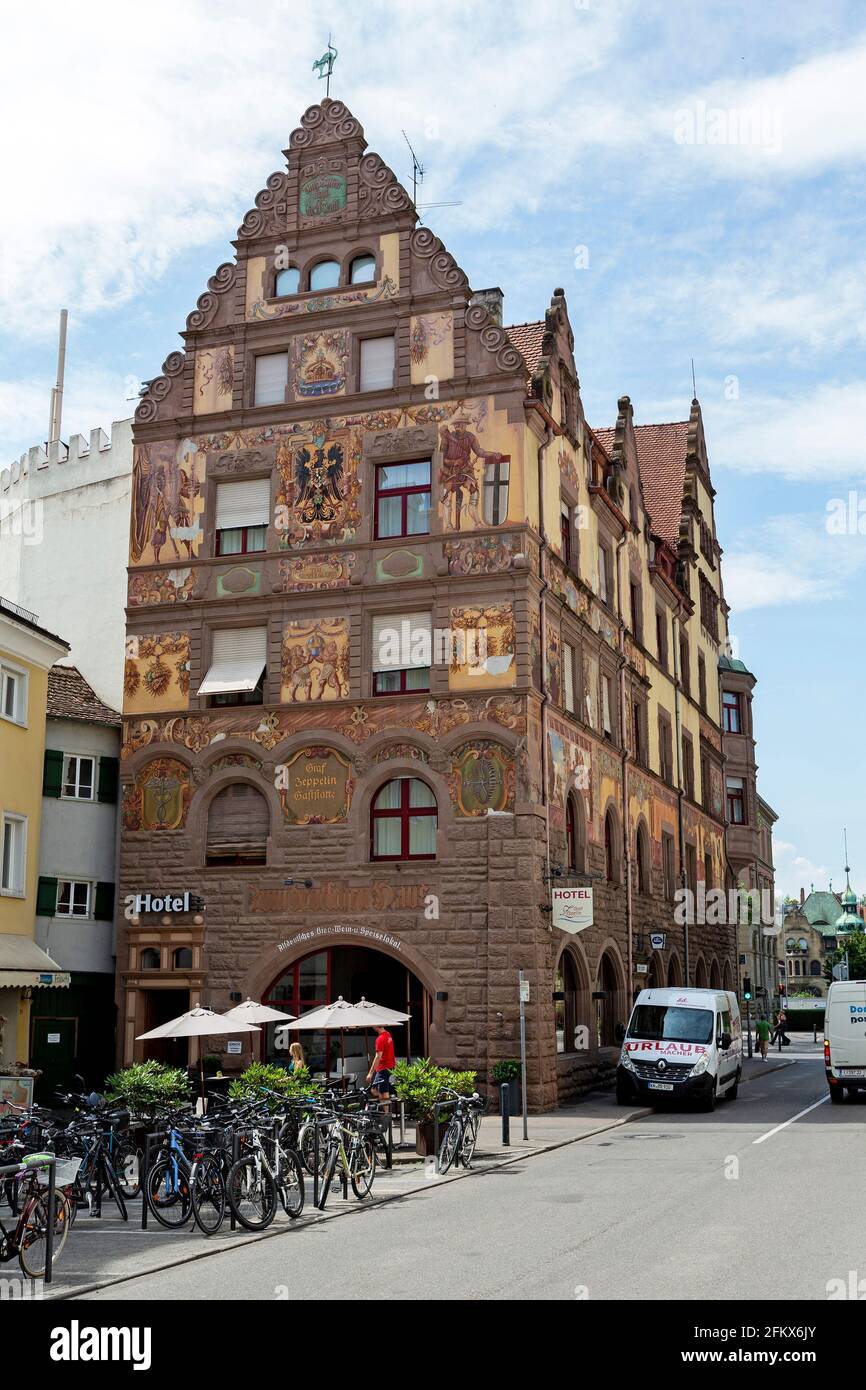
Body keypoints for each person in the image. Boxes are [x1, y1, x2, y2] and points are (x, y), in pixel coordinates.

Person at [367, 1027, 396, 1109]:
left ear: (376, 1026)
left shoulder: (380, 1038)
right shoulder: (388, 1034)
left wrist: (370, 1073)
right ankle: (386, 1109)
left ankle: (387, 1113)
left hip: (383, 1067)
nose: (372, 1027)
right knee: (379, 1089)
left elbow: (378, 1057)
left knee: (378, 1090)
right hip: (390, 1066)